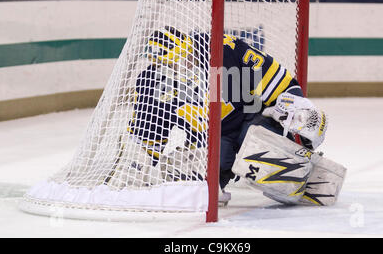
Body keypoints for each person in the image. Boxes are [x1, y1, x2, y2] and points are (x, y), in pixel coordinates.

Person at [128, 26, 345, 206]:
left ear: (188, 45)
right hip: (209, 141)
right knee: (197, 185)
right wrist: (138, 164)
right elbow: (146, 137)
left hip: (248, 121)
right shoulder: (151, 83)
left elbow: (281, 84)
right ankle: (215, 176)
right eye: (167, 64)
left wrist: (294, 108)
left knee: (285, 130)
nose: (177, 67)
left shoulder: (225, 49)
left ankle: (296, 164)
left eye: (180, 58)